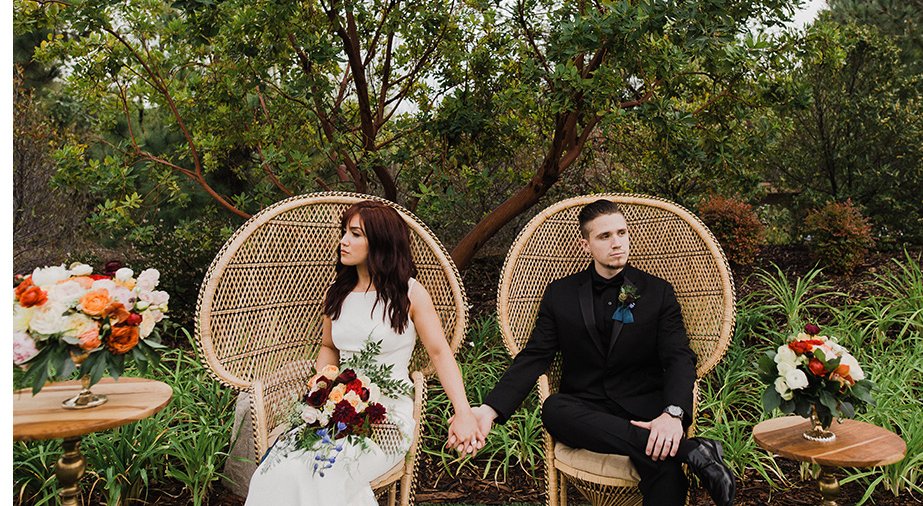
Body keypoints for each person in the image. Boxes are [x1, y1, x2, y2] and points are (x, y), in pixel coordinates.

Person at [449, 199, 735, 506]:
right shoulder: (561, 294)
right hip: (586, 412)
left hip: (645, 411)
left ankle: (674, 450)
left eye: (622, 233)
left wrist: (673, 414)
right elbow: (535, 357)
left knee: (666, 472)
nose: (617, 243)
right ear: (584, 244)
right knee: (553, 408)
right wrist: (489, 410)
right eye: (605, 236)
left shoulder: (656, 292)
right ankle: (691, 451)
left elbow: (679, 357)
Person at [246, 201, 484, 506]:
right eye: (344, 232)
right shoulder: (336, 292)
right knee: (280, 470)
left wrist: (463, 413)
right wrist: (322, 392)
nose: (343, 241)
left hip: (387, 418)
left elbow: (440, 354)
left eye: (355, 234)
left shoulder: (410, 293)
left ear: (381, 242)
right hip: (337, 410)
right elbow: (329, 347)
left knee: (327, 472)